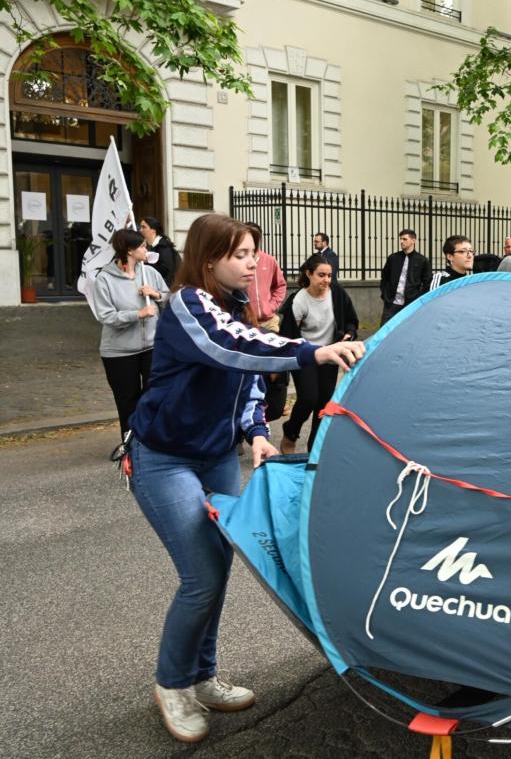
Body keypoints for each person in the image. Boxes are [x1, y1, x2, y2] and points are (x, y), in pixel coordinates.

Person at [127, 213, 364, 744]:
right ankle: (172, 684)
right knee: (201, 575)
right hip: (164, 458)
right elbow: (228, 347)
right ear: (208, 259)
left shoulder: (235, 309)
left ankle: (202, 675)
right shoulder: (189, 304)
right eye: (240, 254)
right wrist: (312, 350)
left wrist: (257, 430)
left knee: (219, 566)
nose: (252, 261)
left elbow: (246, 382)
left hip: (214, 456)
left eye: (254, 252)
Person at [278, 253, 359, 454]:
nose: (326, 280)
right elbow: (288, 337)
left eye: (329, 275)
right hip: (306, 355)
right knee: (308, 398)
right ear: (309, 274)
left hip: (330, 355)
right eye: (321, 275)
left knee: (324, 403)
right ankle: (290, 432)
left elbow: (351, 319)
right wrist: (281, 370)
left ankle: (314, 448)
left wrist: (349, 333)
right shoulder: (298, 301)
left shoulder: (337, 294)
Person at [94, 228, 169, 439]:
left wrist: (155, 294)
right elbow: (106, 317)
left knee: (154, 394)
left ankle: (151, 440)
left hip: (152, 346)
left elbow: (170, 299)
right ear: (129, 250)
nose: (147, 249)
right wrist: (138, 314)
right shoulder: (105, 279)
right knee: (127, 400)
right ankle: (130, 444)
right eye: (143, 246)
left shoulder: (150, 273)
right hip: (119, 352)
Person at [379, 229, 432, 325]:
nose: (401, 241)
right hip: (391, 303)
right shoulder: (393, 258)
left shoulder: (422, 260)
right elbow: (385, 277)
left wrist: (418, 299)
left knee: (408, 329)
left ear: (413, 240)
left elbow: (427, 282)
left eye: (404, 239)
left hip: (411, 304)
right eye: (400, 239)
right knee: (384, 330)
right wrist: (385, 294)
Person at [244, 222, 287, 332]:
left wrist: (271, 306)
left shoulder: (269, 260)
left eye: (256, 236)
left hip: (269, 322)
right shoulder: (239, 261)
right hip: (246, 323)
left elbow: (280, 285)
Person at [139, 216, 180, 287]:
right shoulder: (153, 246)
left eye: (144, 227)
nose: (140, 230)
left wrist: (145, 262)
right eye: (141, 227)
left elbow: (165, 270)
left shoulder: (163, 247)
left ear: (153, 230)